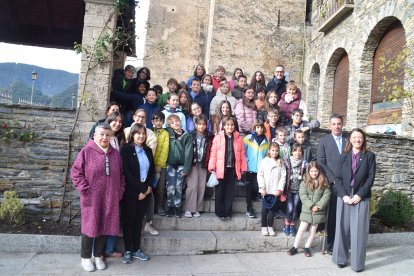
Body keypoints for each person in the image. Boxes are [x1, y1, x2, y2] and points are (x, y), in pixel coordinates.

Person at [70, 123, 124, 272]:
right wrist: (84, 190)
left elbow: (121, 176)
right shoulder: (86, 151)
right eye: (101, 134)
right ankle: (85, 258)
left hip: (110, 198)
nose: (104, 137)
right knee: (89, 227)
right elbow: (76, 173)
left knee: (105, 226)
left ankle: (98, 255)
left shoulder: (115, 154)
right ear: (95, 135)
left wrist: (119, 191)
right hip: (92, 198)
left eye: (107, 135)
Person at [332, 128, 376, 272]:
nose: (357, 139)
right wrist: (344, 195)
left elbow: (370, 178)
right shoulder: (343, 156)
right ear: (350, 139)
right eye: (354, 137)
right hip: (344, 195)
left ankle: (357, 265)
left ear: (363, 140)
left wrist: (359, 195)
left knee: (359, 232)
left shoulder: (369, 156)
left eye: (360, 137)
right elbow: (337, 178)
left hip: (361, 196)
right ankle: (340, 258)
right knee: (342, 229)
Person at [120, 123, 154, 264]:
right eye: (138, 133)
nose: (141, 136)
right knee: (129, 221)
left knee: (138, 222)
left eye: (143, 133)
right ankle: (127, 250)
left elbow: (151, 172)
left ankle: (136, 249)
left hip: (144, 193)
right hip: (131, 192)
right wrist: (141, 189)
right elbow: (127, 173)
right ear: (132, 135)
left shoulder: (148, 150)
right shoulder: (126, 150)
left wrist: (146, 190)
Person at [317, 114, 347, 255]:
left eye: (339, 123)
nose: (337, 126)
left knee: (345, 215)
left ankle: (344, 243)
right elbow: (321, 162)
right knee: (333, 216)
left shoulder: (348, 141)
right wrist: (332, 178)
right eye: (334, 124)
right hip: (332, 183)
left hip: (347, 183)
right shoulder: (324, 141)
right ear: (330, 126)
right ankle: (331, 246)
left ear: (342, 124)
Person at [287, 161, 331, 257]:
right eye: (311, 171)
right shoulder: (304, 183)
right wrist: (311, 206)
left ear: (319, 171)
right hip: (307, 210)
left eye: (316, 171)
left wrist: (318, 206)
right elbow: (303, 195)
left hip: (318, 211)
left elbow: (326, 196)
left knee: (313, 230)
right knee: (302, 228)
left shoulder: (324, 182)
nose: (314, 173)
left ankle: (307, 247)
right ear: (308, 172)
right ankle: (295, 246)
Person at [208, 117, 247, 220]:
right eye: (228, 125)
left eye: (232, 125)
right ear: (224, 126)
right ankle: (220, 212)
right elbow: (213, 153)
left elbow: (242, 155)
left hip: (232, 169)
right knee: (220, 190)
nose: (230, 127)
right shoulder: (218, 138)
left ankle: (227, 212)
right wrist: (212, 166)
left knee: (230, 192)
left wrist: (243, 168)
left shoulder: (239, 138)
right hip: (221, 168)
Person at [184, 115, 213, 218]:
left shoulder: (209, 136)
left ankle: (197, 208)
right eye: (199, 124)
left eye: (204, 124)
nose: (201, 126)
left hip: (203, 163)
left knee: (201, 186)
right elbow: (187, 151)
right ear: (195, 125)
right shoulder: (190, 135)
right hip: (193, 163)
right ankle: (189, 208)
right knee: (192, 186)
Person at [165, 114, 193, 217]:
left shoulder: (187, 136)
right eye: (172, 123)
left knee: (179, 186)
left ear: (180, 121)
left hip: (181, 165)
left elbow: (188, 153)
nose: (175, 123)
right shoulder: (168, 133)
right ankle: (170, 206)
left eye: (176, 121)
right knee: (170, 187)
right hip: (170, 165)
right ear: (169, 125)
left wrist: (186, 168)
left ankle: (177, 207)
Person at [257, 142, 286, 236]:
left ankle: (270, 226)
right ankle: (264, 227)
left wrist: (279, 189)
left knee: (272, 209)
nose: (274, 152)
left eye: (276, 151)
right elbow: (260, 174)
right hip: (266, 190)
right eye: (272, 150)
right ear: (269, 150)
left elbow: (283, 176)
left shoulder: (281, 162)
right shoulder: (264, 161)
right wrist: (262, 187)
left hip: (275, 191)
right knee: (265, 209)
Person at [243, 119, 269, 218]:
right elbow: (243, 152)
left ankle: (255, 198)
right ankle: (249, 209)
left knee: (256, 187)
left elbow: (267, 154)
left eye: (261, 127)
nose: (259, 129)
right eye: (257, 127)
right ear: (254, 128)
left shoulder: (266, 141)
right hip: (250, 168)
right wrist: (247, 160)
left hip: (260, 169)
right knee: (249, 188)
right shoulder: (248, 138)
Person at [283, 143, 306, 237]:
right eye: (295, 150)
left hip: (298, 191)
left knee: (296, 207)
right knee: (290, 207)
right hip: (289, 190)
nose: (297, 153)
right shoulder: (287, 162)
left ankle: (292, 225)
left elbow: (306, 176)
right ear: (292, 152)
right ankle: (286, 225)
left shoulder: (304, 163)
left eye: (300, 151)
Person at [152, 112, 169, 216]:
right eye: (156, 120)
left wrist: (159, 164)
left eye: (160, 120)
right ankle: (151, 207)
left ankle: (159, 206)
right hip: (150, 165)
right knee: (150, 187)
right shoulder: (149, 132)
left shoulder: (165, 133)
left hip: (161, 166)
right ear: (153, 121)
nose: (158, 122)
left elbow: (164, 150)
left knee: (160, 187)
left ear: (163, 122)